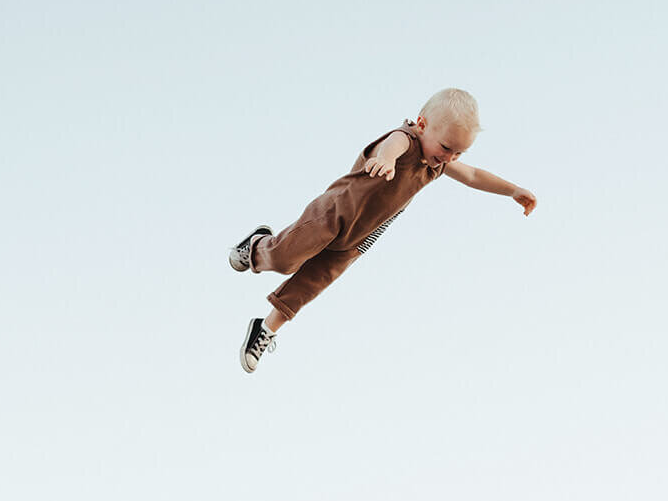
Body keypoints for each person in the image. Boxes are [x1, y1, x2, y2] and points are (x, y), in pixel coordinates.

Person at [229, 88, 537, 373]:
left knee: (306, 287)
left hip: (357, 242)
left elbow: (472, 175)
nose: (449, 158)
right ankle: (256, 245)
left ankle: (265, 329)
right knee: (285, 261)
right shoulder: (406, 139)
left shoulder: (438, 165)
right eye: (445, 148)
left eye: (457, 153)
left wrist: (512, 190)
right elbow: (392, 144)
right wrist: (387, 160)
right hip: (332, 216)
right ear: (422, 124)